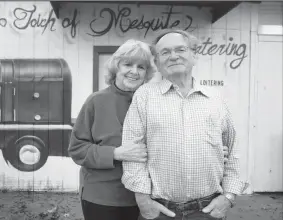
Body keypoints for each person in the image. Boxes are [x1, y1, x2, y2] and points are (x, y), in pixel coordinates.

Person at [121, 29, 246, 220]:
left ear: (194, 55)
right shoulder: (144, 96)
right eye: (165, 52)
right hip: (160, 211)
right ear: (157, 62)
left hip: (207, 211)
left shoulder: (216, 99)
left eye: (180, 49)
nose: (173, 56)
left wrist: (228, 197)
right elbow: (132, 150)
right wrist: (143, 201)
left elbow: (233, 150)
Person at [68, 39, 156, 220]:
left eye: (141, 67)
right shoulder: (96, 101)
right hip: (103, 197)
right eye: (128, 64)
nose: (134, 71)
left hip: (146, 197)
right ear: (116, 67)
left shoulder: (154, 104)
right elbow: (77, 149)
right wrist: (115, 153)